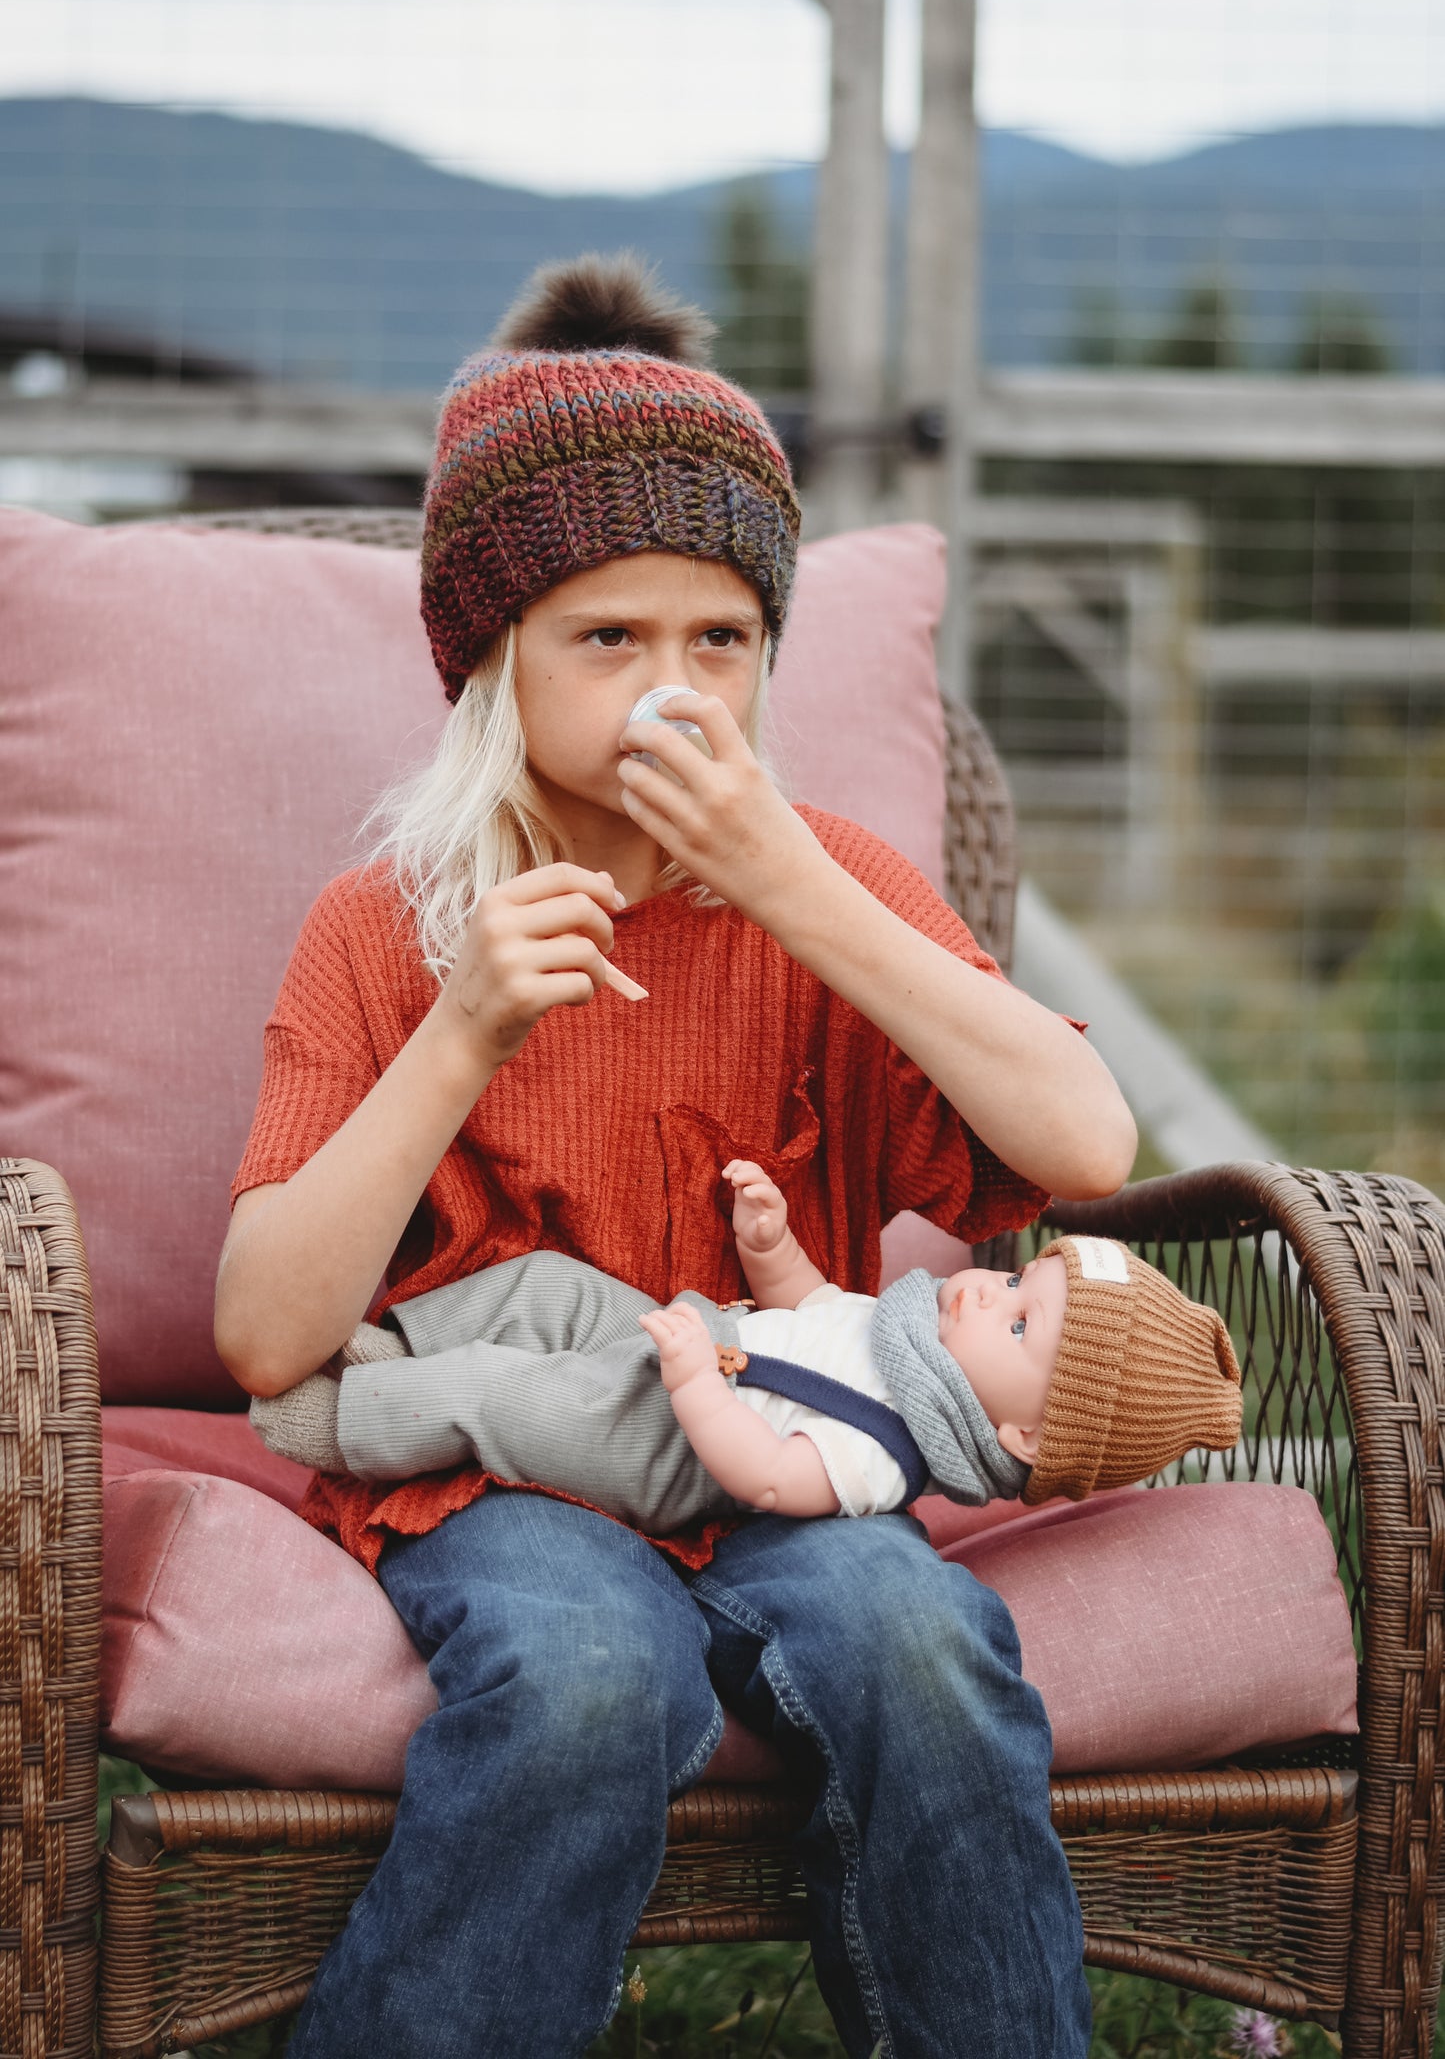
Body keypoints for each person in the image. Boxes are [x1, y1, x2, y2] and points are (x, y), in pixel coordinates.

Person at [215, 250, 1139, 2059]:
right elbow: (265, 1335)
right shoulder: (387, 929)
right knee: (578, 1674)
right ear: (493, 653)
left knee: (923, 1648)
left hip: (797, 1457)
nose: (672, 689)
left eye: (720, 638)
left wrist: (795, 881)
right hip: (517, 1480)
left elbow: (1086, 1138)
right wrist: (461, 1029)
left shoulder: (829, 890)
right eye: (608, 636)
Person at [252, 1156, 1243, 1530]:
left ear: (1022, 1434)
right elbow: (812, 1305)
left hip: (671, 1448)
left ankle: (341, 1422)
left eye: (1017, 1322)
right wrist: (769, 1246)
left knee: (508, 1394)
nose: (988, 1287)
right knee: (548, 1288)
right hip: (694, 1343)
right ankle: (389, 1348)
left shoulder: (885, 1454)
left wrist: (690, 1386)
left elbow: (769, 1477)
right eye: (1018, 1277)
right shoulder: (900, 1337)